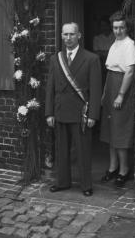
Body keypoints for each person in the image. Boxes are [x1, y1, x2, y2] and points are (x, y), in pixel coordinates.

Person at [45, 22, 102, 196]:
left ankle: (86, 185)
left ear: (79, 36)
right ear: (62, 36)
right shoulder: (56, 59)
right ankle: (62, 182)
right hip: (61, 110)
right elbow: (50, 88)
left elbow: (96, 89)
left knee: (83, 150)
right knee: (61, 150)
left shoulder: (91, 59)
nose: (68, 38)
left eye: (72, 34)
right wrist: (49, 112)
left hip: (81, 112)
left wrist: (93, 114)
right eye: (65, 34)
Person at [99, 10, 135, 187]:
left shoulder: (129, 44)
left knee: (120, 130)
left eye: (121, 27)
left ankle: (124, 169)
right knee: (109, 129)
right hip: (111, 84)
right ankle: (112, 167)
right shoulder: (115, 43)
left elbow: (129, 71)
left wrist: (121, 94)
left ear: (126, 27)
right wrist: (105, 93)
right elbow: (110, 70)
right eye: (115, 27)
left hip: (122, 87)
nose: (118, 31)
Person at [93, 16, 115, 86]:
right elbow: (96, 53)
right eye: (102, 26)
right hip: (102, 64)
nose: (104, 27)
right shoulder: (97, 38)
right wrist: (111, 52)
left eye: (105, 25)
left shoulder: (115, 37)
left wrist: (103, 52)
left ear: (109, 26)